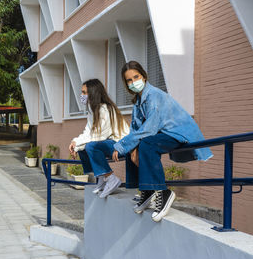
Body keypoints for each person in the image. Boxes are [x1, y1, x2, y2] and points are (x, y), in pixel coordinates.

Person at [112, 61, 213, 222]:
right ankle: (147, 191)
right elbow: (136, 129)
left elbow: (149, 129)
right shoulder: (138, 102)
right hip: (163, 133)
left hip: (179, 133)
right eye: (129, 80)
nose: (133, 82)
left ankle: (163, 192)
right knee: (134, 146)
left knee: (146, 143)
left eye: (136, 77)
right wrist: (130, 148)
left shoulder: (154, 95)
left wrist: (122, 145)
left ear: (144, 76)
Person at [69, 79, 130, 198]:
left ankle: (111, 178)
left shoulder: (106, 109)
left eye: (84, 92)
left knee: (91, 146)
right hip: (109, 143)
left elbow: (100, 136)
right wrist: (75, 142)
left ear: (93, 93)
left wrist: (78, 144)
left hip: (121, 144)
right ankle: (102, 177)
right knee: (83, 148)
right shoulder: (92, 110)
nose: (81, 95)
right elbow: (88, 132)